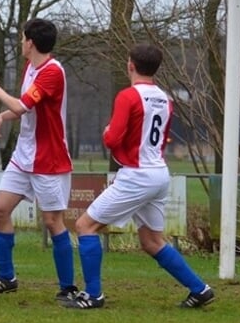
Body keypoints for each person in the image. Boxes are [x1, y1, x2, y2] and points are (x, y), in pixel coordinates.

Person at [66, 44, 214, 309]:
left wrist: (107, 131)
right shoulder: (166, 99)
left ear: (130, 65)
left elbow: (113, 139)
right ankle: (200, 289)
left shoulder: (128, 96)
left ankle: (93, 295)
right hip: (159, 173)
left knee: (85, 226)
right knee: (152, 241)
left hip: (137, 176)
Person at [0, 18, 77, 301]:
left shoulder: (52, 72)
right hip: (24, 155)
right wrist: (2, 115)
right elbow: (26, 110)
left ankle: (67, 287)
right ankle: (7, 278)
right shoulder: (30, 68)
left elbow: (23, 105)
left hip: (49, 159)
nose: (21, 42)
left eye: (23, 38)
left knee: (52, 221)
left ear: (30, 42)